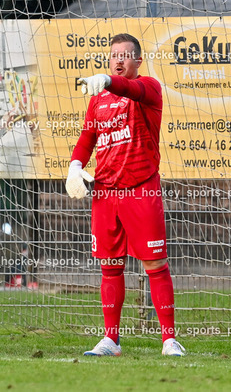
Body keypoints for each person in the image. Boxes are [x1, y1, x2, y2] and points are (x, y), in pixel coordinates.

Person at [66, 33, 185, 357]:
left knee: (155, 264)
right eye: (114, 55)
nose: (119, 60)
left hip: (140, 189)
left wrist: (106, 80)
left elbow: (128, 88)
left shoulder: (148, 88)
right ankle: (111, 340)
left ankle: (169, 340)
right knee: (110, 266)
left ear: (137, 61)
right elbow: (88, 136)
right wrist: (75, 166)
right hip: (105, 193)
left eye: (125, 55)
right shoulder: (98, 100)